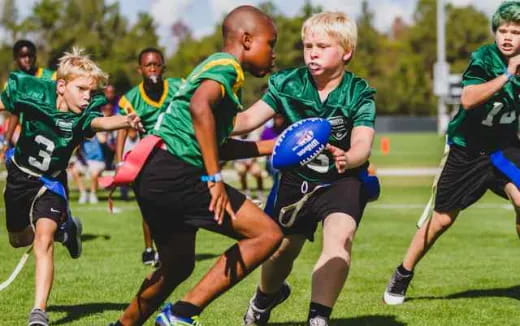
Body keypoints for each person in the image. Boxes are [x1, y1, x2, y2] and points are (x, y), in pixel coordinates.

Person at [111, 6, 282, 326]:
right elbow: (198, 106)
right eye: (270, 43)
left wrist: (273, 146)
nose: (274, 54)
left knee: (177, 266)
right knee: (266, 234)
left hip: (154, 174)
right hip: (177, 171)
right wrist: (213, 177)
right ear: (246, 39)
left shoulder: (220, 72)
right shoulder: (227, 66)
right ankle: (180, 314)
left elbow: (217, 143)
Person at [232, 11, 376, 326]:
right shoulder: (288, 83)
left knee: (341, 237)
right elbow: (246, 121)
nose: (312, 51)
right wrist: (207, 118)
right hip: (295, 179)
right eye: (307, 45)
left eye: (322, 46)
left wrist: (348, 158)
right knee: (280, 252)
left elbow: (363, 143)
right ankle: (264, 298)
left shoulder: (358, 92)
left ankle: (318, 317)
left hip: (341, 180)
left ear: (346, 51)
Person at [383, 1, 520, 305]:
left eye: (515, 31)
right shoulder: (485, 58)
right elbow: (469, 99)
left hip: (503, 150)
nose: (507, 36)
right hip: (467, 150)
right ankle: (403, 273)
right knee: (442, 220)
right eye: (502, 30)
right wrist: (508, 75)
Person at [0, 48, 143, 326]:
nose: (87, 96)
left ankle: (38, 312)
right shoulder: (32, 90)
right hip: (20, 176)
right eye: (81, 89)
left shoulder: (85, 111)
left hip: (52, 180)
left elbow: (100, 122)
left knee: (43, 240)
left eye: (91, 90)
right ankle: (67, 232)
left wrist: (125, 120)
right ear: (62, 86)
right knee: (19, 240)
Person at [116, 47, 184, 265]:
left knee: (176, 204)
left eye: (156, 64)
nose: (153, 69)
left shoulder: (179, 86)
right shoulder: (131, 98)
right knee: (148, 205)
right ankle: (149, 248)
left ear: (163, 67)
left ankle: (172, 247)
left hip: (176, 152)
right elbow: (122, 129)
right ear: (140, 69)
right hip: (148, 156)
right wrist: (119, 161)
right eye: (148, 65)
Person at [1, 40, 56, 158]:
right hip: (25, 131)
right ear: (15, 59)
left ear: (35, 57)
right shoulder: (13, 82)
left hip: (50, 129)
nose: (27, 59)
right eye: (22, 56)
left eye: (30, 56)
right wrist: (6, 141)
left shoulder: (51, 77)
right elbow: (15, 112)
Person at [69, 134, 106, 204]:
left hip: (98, 161)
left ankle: (93, 194)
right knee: (74, 170)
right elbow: (74, 148)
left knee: (95, 173)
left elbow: (103, 140)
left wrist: (95, 131)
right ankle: (83, 194)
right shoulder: (81, 136)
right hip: (85, 162)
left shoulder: (97, 135)